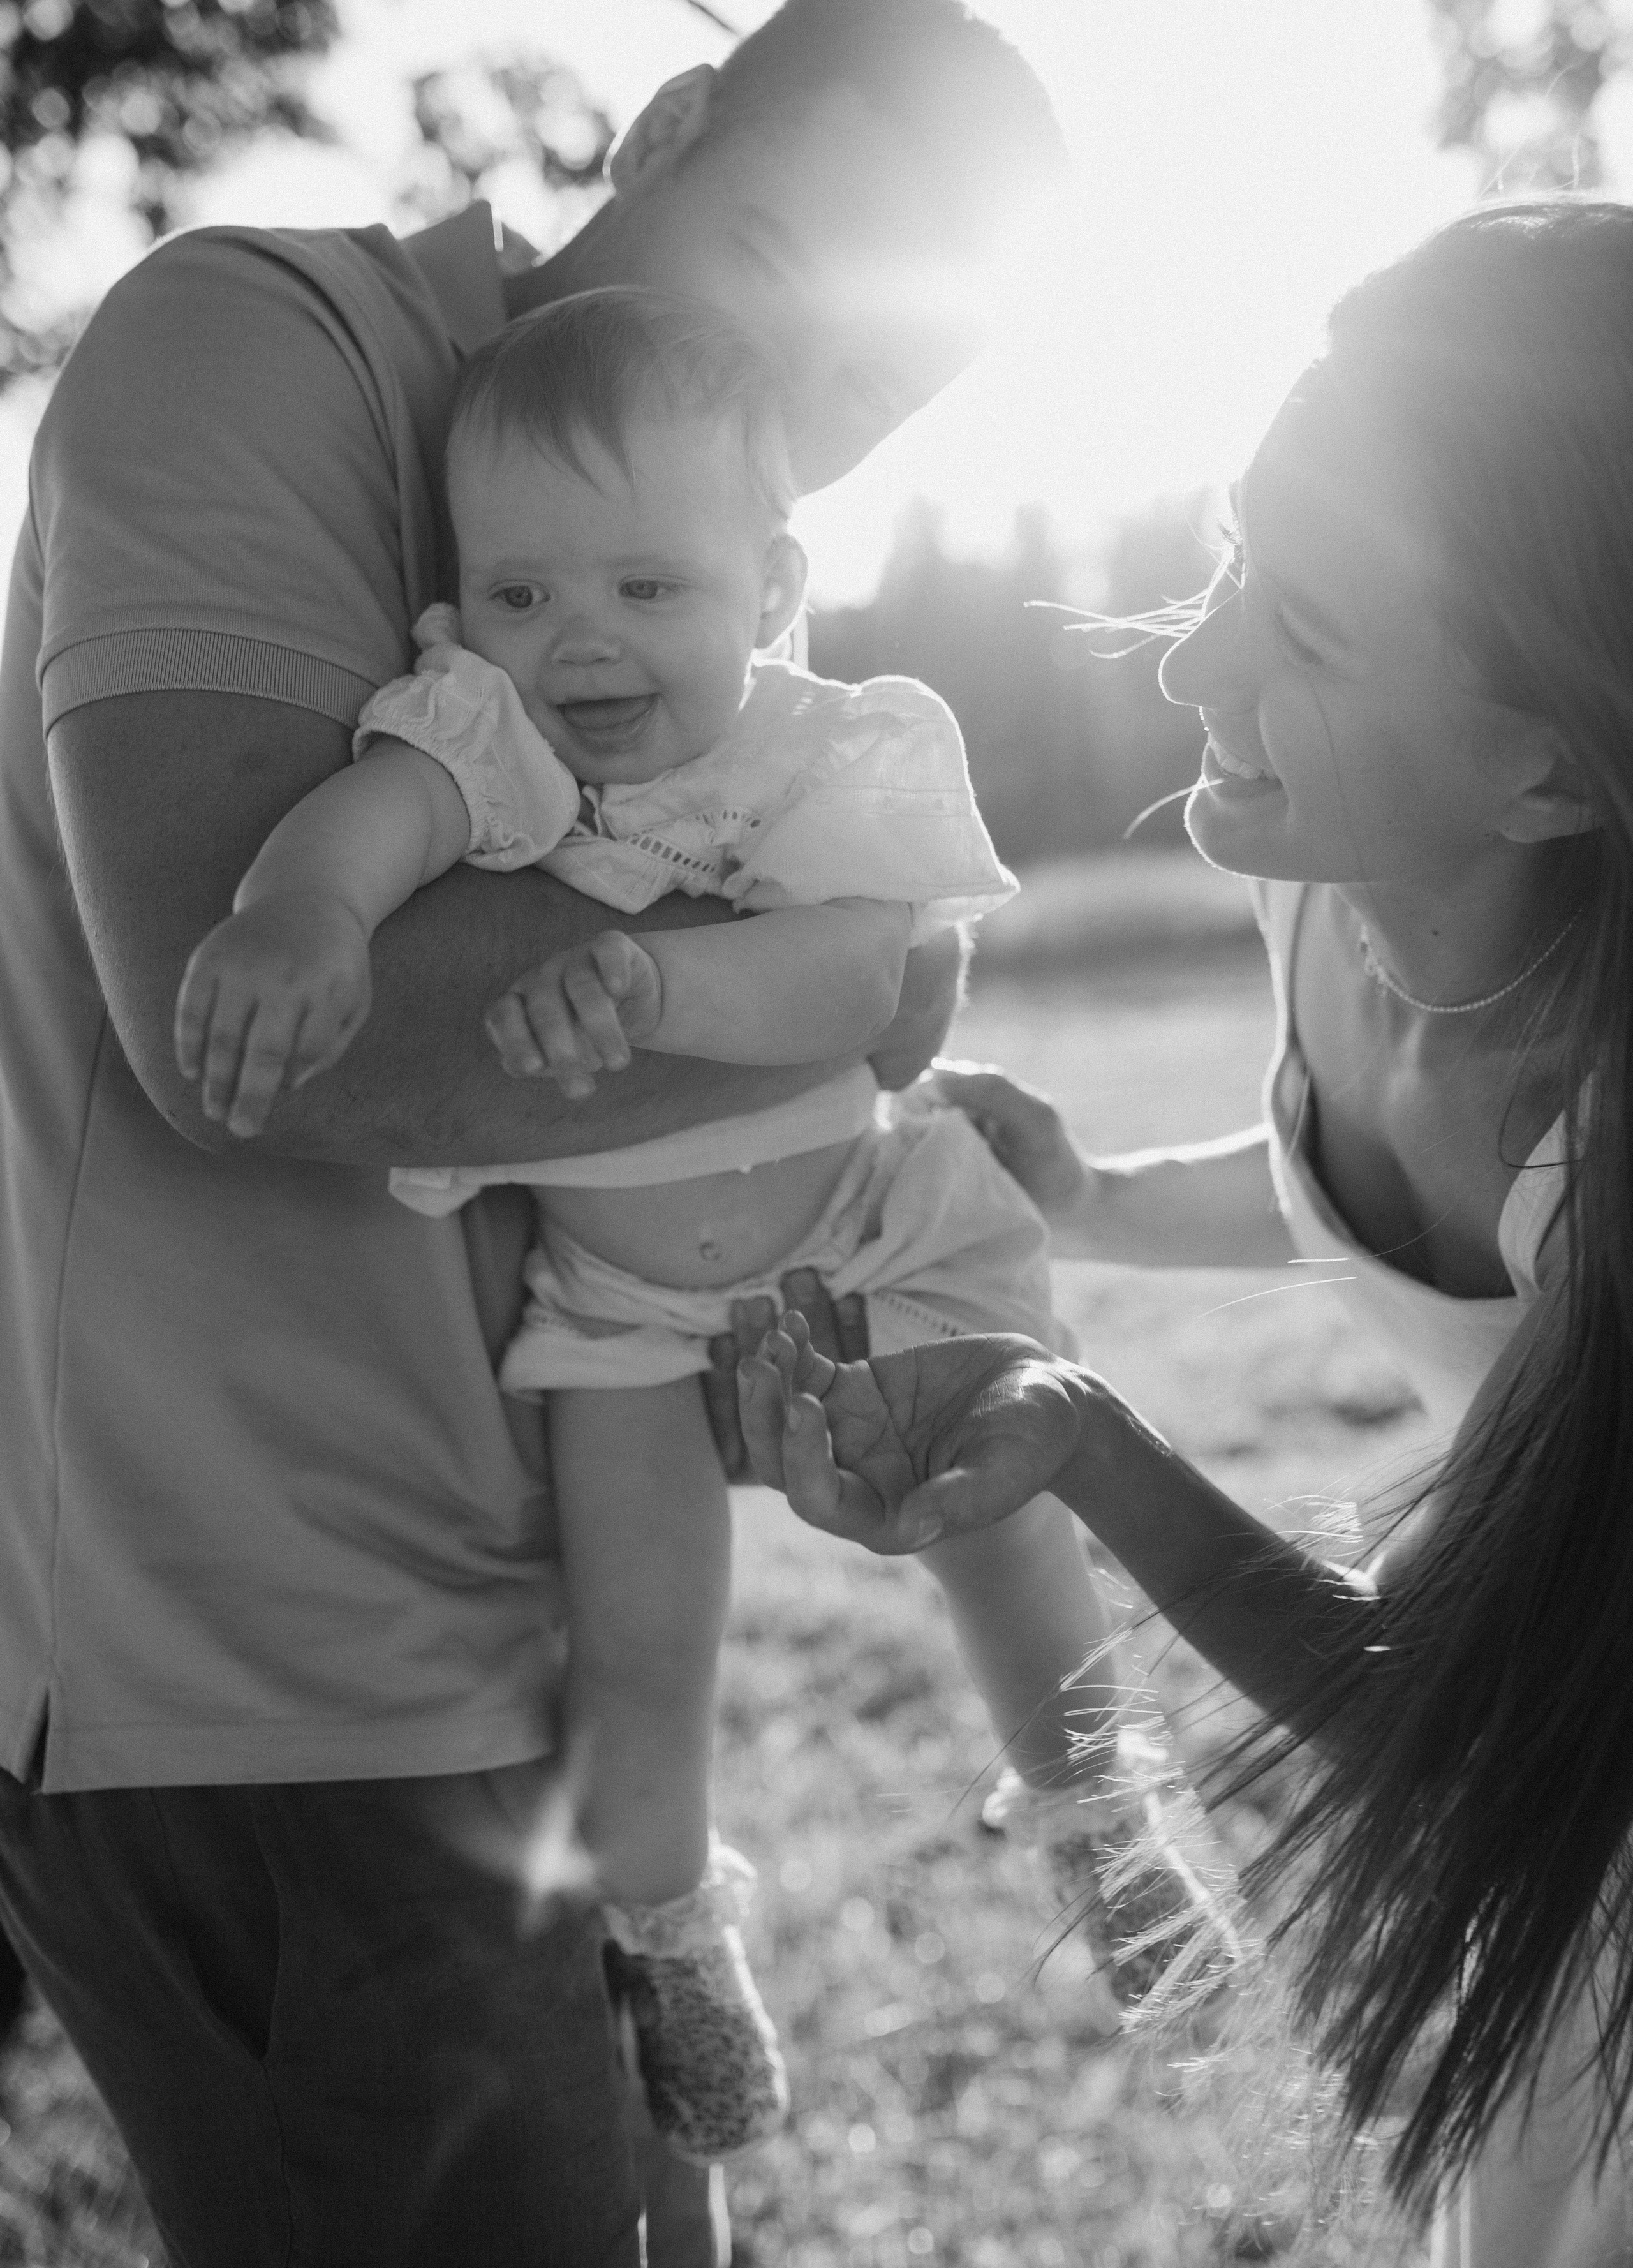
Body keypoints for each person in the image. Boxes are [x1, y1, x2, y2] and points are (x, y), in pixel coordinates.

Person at [0, 0, 1067, 2267]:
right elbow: (271, 1022)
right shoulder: (260, 341)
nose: (791, 390)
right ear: (670, 121)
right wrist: (826, 998)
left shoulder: (685, 569)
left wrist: (853, 1034)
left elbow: (880, 971)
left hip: (523, 1625)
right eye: (787, 267)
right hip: (275, 1668)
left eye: (874, 384)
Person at [171, 281, 1229, 2162]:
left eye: (648, 588)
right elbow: (380, 822)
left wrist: (647, 992)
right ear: (468, 605)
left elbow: (857, 981)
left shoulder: (829, 750)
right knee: (640, 1643)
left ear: (769, 583)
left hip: (874, 1218)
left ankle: (1105, 1825)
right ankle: (672, 1940)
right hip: (621, 1306)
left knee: (1003, 1534)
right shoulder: (487, 734)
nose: (580, 641)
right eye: (524, 591)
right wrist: (304, 918)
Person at [734, 198, 1633, 2267]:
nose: (1202, 652)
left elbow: (1458, 1713)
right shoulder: (1326, 868)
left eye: (1308, 629)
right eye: (1237, 553)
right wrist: (1088, 1202)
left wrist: (1083, 1436)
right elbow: (1383, 1201)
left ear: (1553, 772)